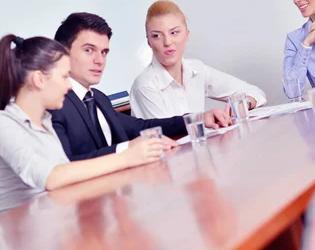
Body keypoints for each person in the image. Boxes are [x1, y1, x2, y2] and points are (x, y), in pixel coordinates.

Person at [0, 35, 165, 214]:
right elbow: (51, 177)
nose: (69, 86)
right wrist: (128, 157)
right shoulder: (1, 124)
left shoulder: (45, 121)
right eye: (64, 77)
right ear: (39, 79)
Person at [50, 12, 231, 161]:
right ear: (62, 52)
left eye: (104, 52)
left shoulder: (98, 98)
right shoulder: (52, 103)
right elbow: (65, 166)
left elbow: (142, 126)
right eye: (89, 50)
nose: (99, 60)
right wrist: (127, 149)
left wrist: (197, 118)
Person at [130, 0, 266, 118]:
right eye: (157, 36)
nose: (167, 42)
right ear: (148, 42)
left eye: (174, 32)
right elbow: (167, 137)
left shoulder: (196, 69)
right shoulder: (145, 85)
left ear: (187, 35)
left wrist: (244, 103)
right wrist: (205, 120)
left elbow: (255, 92)